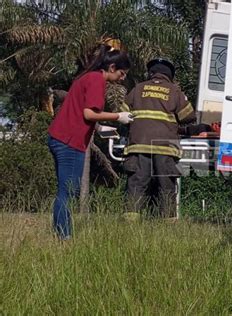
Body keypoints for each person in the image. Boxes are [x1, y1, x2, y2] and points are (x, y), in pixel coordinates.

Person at [48, 45, 134, 240]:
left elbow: (81, 113)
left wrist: (99, 127)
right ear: (112, 67)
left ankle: (61, 232)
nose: (122, 78)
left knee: (67, 189)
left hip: (61, 137)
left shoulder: (87, 77)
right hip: (69, 142)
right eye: (122, 73)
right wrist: (117, 116)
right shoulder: (97, 80)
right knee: (68, 191)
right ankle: (64, 236)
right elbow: (89, 113)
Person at [124, 58, 196, 217]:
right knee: (166, 186)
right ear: (170, 75)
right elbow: (188, 116)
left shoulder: (137, 89)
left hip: (138, 145)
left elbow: (123, 113)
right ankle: (167, 225)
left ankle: (129, 224)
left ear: (151, 73)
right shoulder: (174, 91)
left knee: (137, 185)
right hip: (164, 148)